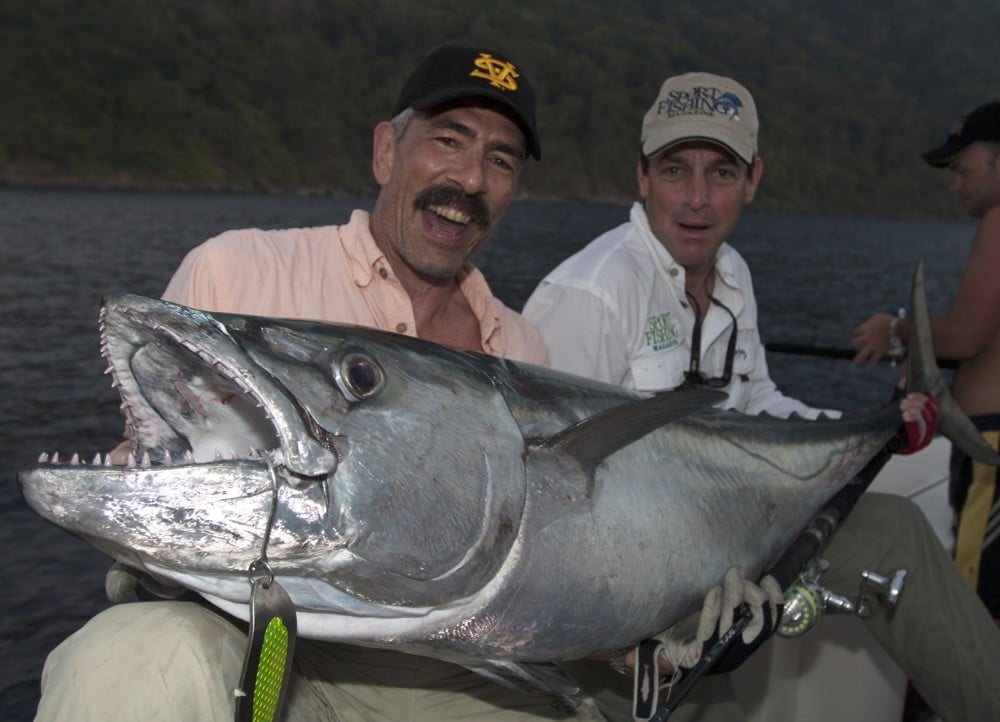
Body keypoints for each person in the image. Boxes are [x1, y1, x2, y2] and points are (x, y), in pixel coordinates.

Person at [34, 45, 606, 722]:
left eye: (501, 160)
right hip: (261, 644)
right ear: (386, 152)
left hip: (452, 667)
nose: (470, 178)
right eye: (447, 140)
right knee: (130, 664)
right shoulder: (235, 275)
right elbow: (157, 477)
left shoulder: (521, 347)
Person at [524, 72, 1000, 721]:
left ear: (752, 181)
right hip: (632, 587)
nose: (696, 199)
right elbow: (547, 508)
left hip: (732, 533)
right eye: (674, 170)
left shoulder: (733, 275)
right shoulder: (594, 294)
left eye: (721, 173)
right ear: (641, 176)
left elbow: (760, 405)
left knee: (897, 531)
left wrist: (876, 426)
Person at [853, 101, 1000, 620]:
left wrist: (892, 330)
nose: (955, 184)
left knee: (980, 611)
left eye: (963, 169)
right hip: (983, 439)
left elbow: (965, 335)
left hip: (990, 450)